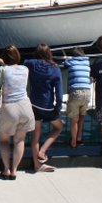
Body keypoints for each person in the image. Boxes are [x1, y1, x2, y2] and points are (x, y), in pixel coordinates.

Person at [0, 45, 34, 180]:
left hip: (9, 108)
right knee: (20, 140)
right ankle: (14, 171)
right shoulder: (25, 69)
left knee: (4, 140)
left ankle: (6, 169)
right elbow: (9, 66)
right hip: (25, 106)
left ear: (5, 58)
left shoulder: (2, 71)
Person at [25, 44, 64, 172]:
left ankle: (37, 165)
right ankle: (43, 151)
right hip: (47, 106)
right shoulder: (55, 68)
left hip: (33, 104)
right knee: (59, 127)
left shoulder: (31, 63)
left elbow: (23, 64)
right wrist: (57, 108)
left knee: (35, 136)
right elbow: (59, 93)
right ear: (49, 53)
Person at [62, 47, 91, 148]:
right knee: (82, 117)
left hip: (76, 92)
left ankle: (73, 142)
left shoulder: (71, 61)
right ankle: (79, 138)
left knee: (74, 119)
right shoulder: (87, 61)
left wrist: (67, 58)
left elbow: (64, 64)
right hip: (87, 91)